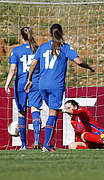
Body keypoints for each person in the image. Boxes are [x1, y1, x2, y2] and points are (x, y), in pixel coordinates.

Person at [25, 24, 95, 152]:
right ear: (61, 33)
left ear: (50, 34)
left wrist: (29, 79)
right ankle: (47, 145)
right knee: (53, 114)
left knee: (50, 113)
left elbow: (34, 63)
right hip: (56, 85)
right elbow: (78, 61)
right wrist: (89, 67)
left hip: (42, 85)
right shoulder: (65, 47)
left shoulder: (43, 47)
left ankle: (46, 143)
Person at [4, 27, 42, 150]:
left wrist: (7, 83)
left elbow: (13, 69)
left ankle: (23, 145)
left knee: (21, 113)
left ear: (21, 37)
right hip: (35, 82)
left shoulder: (16, 50)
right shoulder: (38, 49)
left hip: (20, 83)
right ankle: (37, 140)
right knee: (35, 109)